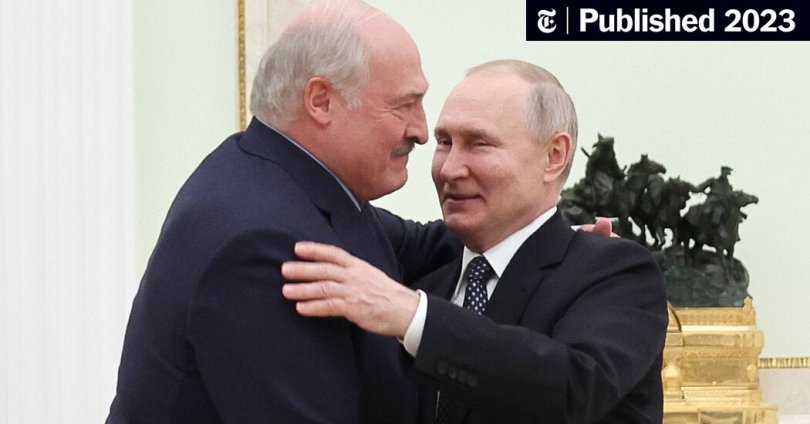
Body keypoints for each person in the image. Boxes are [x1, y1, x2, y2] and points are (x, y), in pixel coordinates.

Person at [106, 1, 459, 422]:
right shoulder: (261, 239)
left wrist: (526, 209)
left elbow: (428, 247)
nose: (420, 131)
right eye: (404, 105)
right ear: (321, 101)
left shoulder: (284, 179)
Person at [282, 60, 670, 423]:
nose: (450, 169)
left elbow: (575, 387)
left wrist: (415, 319)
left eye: (479, 144)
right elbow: (323, 208)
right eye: (444, 142)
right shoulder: (428, 271)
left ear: (554, 156)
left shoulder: (617, 273)